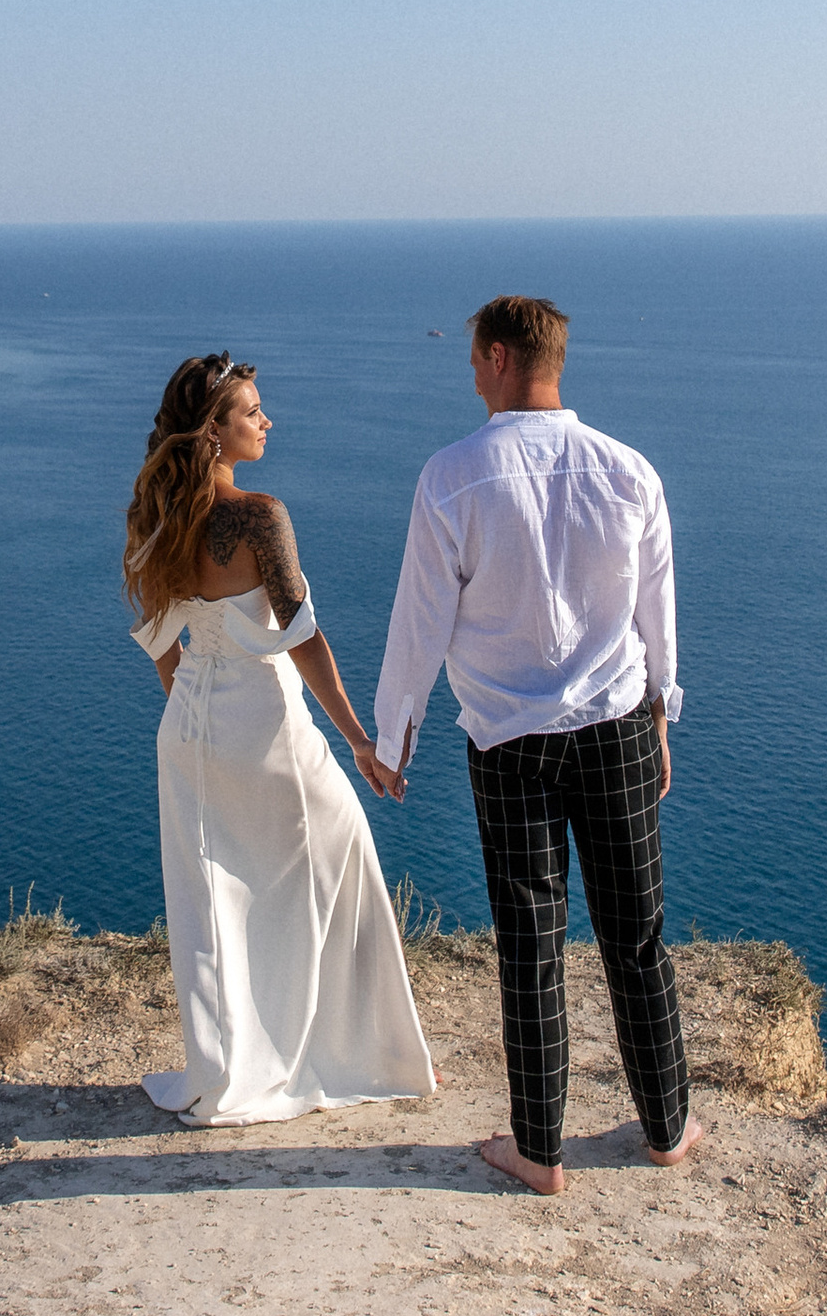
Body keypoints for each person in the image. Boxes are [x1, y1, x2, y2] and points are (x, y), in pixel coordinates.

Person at [374, 295, 704, 1194]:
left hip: (510, 742)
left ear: (492, 357)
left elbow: (419, 622)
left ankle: (540, 1151)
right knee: (637, 935)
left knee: (531, 941)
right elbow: (657, 615)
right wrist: (662, 714)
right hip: (620, 728)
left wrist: (392, 739)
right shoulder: (631, 470)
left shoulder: (451, 477)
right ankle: (668, 1129)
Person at [125, 351, 437, 1126]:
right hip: (268, 730)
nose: (267, 421)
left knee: (215, 901)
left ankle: (227, 1066)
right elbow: (303, 638)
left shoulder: (157, 518)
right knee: (342, 860)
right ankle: (350, 1053)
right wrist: (363, 742)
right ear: (214, 431)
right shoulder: (260, 516)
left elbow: (163, 643)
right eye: (252, 411)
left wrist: (195, 715)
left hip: (191, 730)